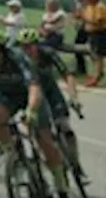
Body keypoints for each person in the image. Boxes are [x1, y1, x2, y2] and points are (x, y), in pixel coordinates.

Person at [0, 25, 72, 198]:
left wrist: (31, 111)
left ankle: (61, 185)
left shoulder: (18, 58)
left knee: (45, 140)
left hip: (30, 95)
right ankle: (15, 157)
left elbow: (34, 87)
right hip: (6, 95)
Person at [15, 27, 86, 185]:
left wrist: (74, 98)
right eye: (23, 46)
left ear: (37, 44)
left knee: (65, 128)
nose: (28, 50)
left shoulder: (48, 53)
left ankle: (76, 164)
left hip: (50, 91)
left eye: (31, 45)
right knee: (40, 134)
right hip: (32, 95)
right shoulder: (18, 59)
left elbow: (67, 75)